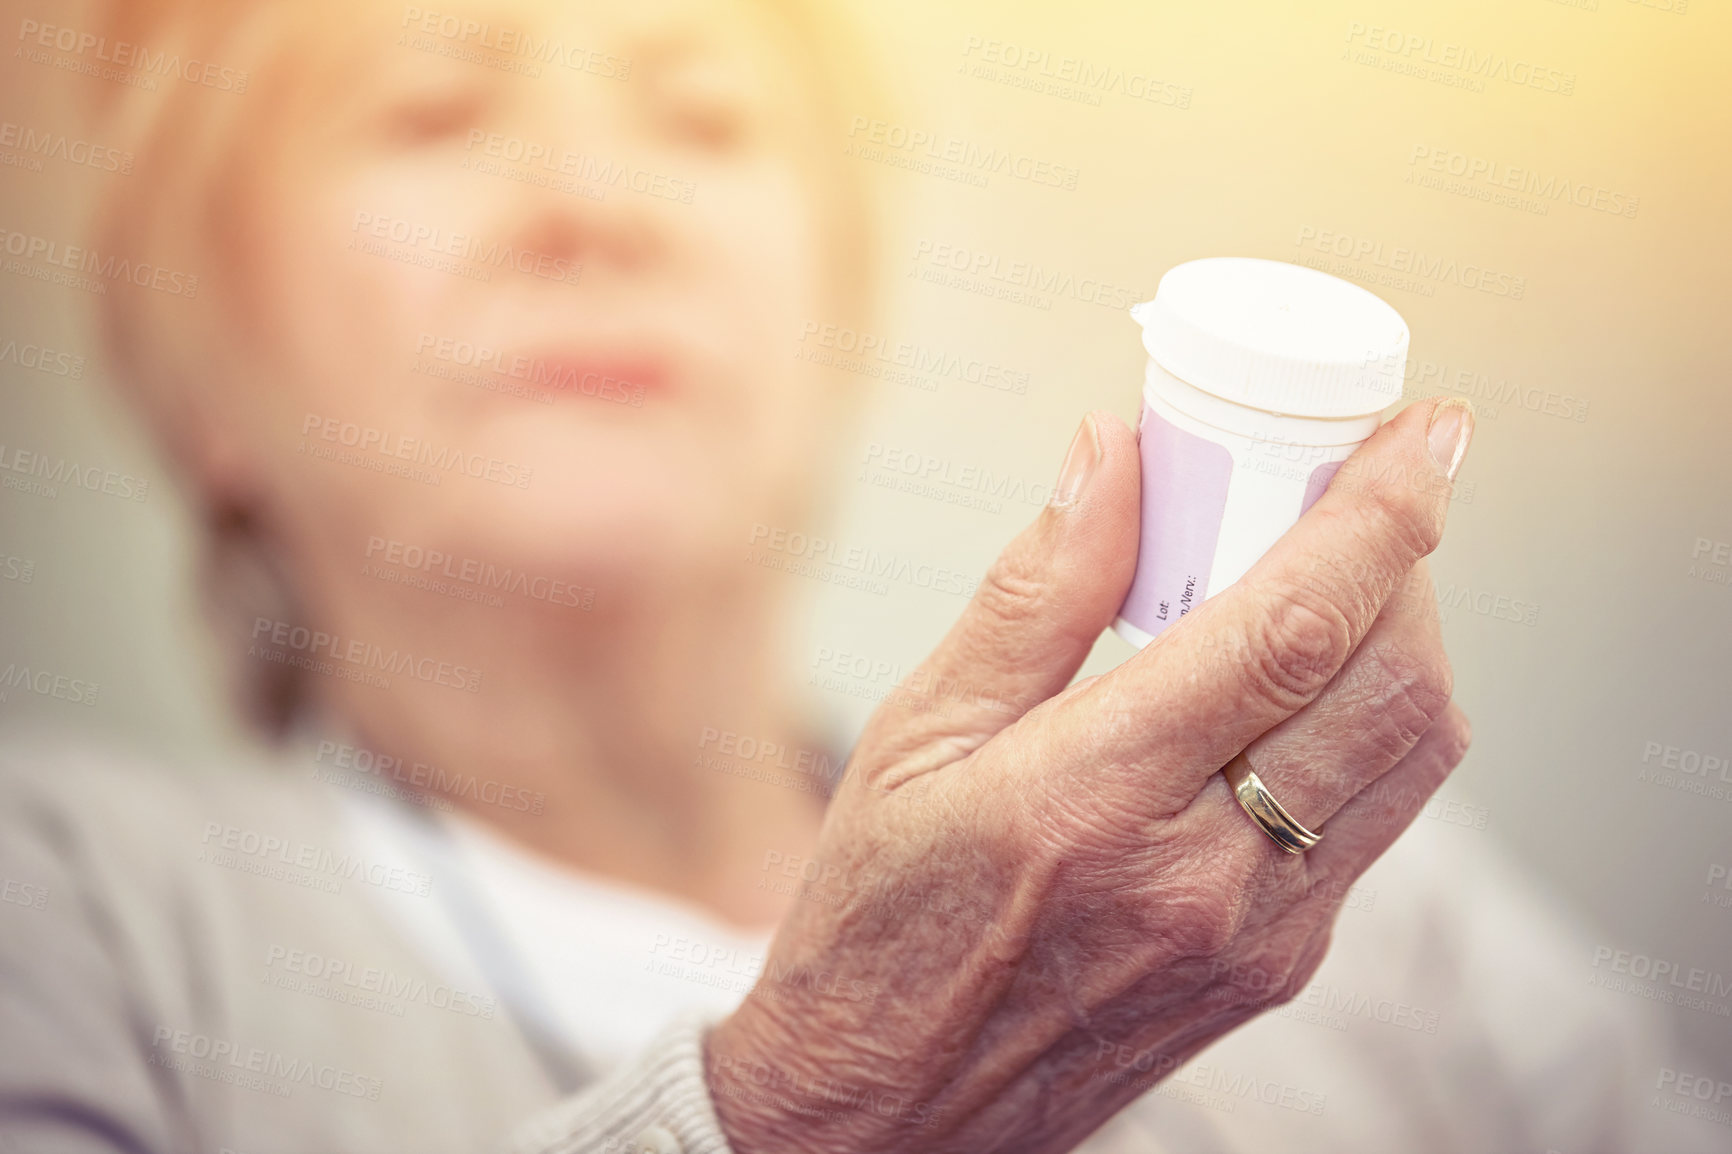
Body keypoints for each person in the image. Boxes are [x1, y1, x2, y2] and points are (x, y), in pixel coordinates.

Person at [0, 1, 1710, 1151]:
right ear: (197, 359)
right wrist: (819, 1095)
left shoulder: (1318, 896)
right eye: (434, 112)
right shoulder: (73, 916)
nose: (597, 203)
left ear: (832, 314)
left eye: (705, 119)